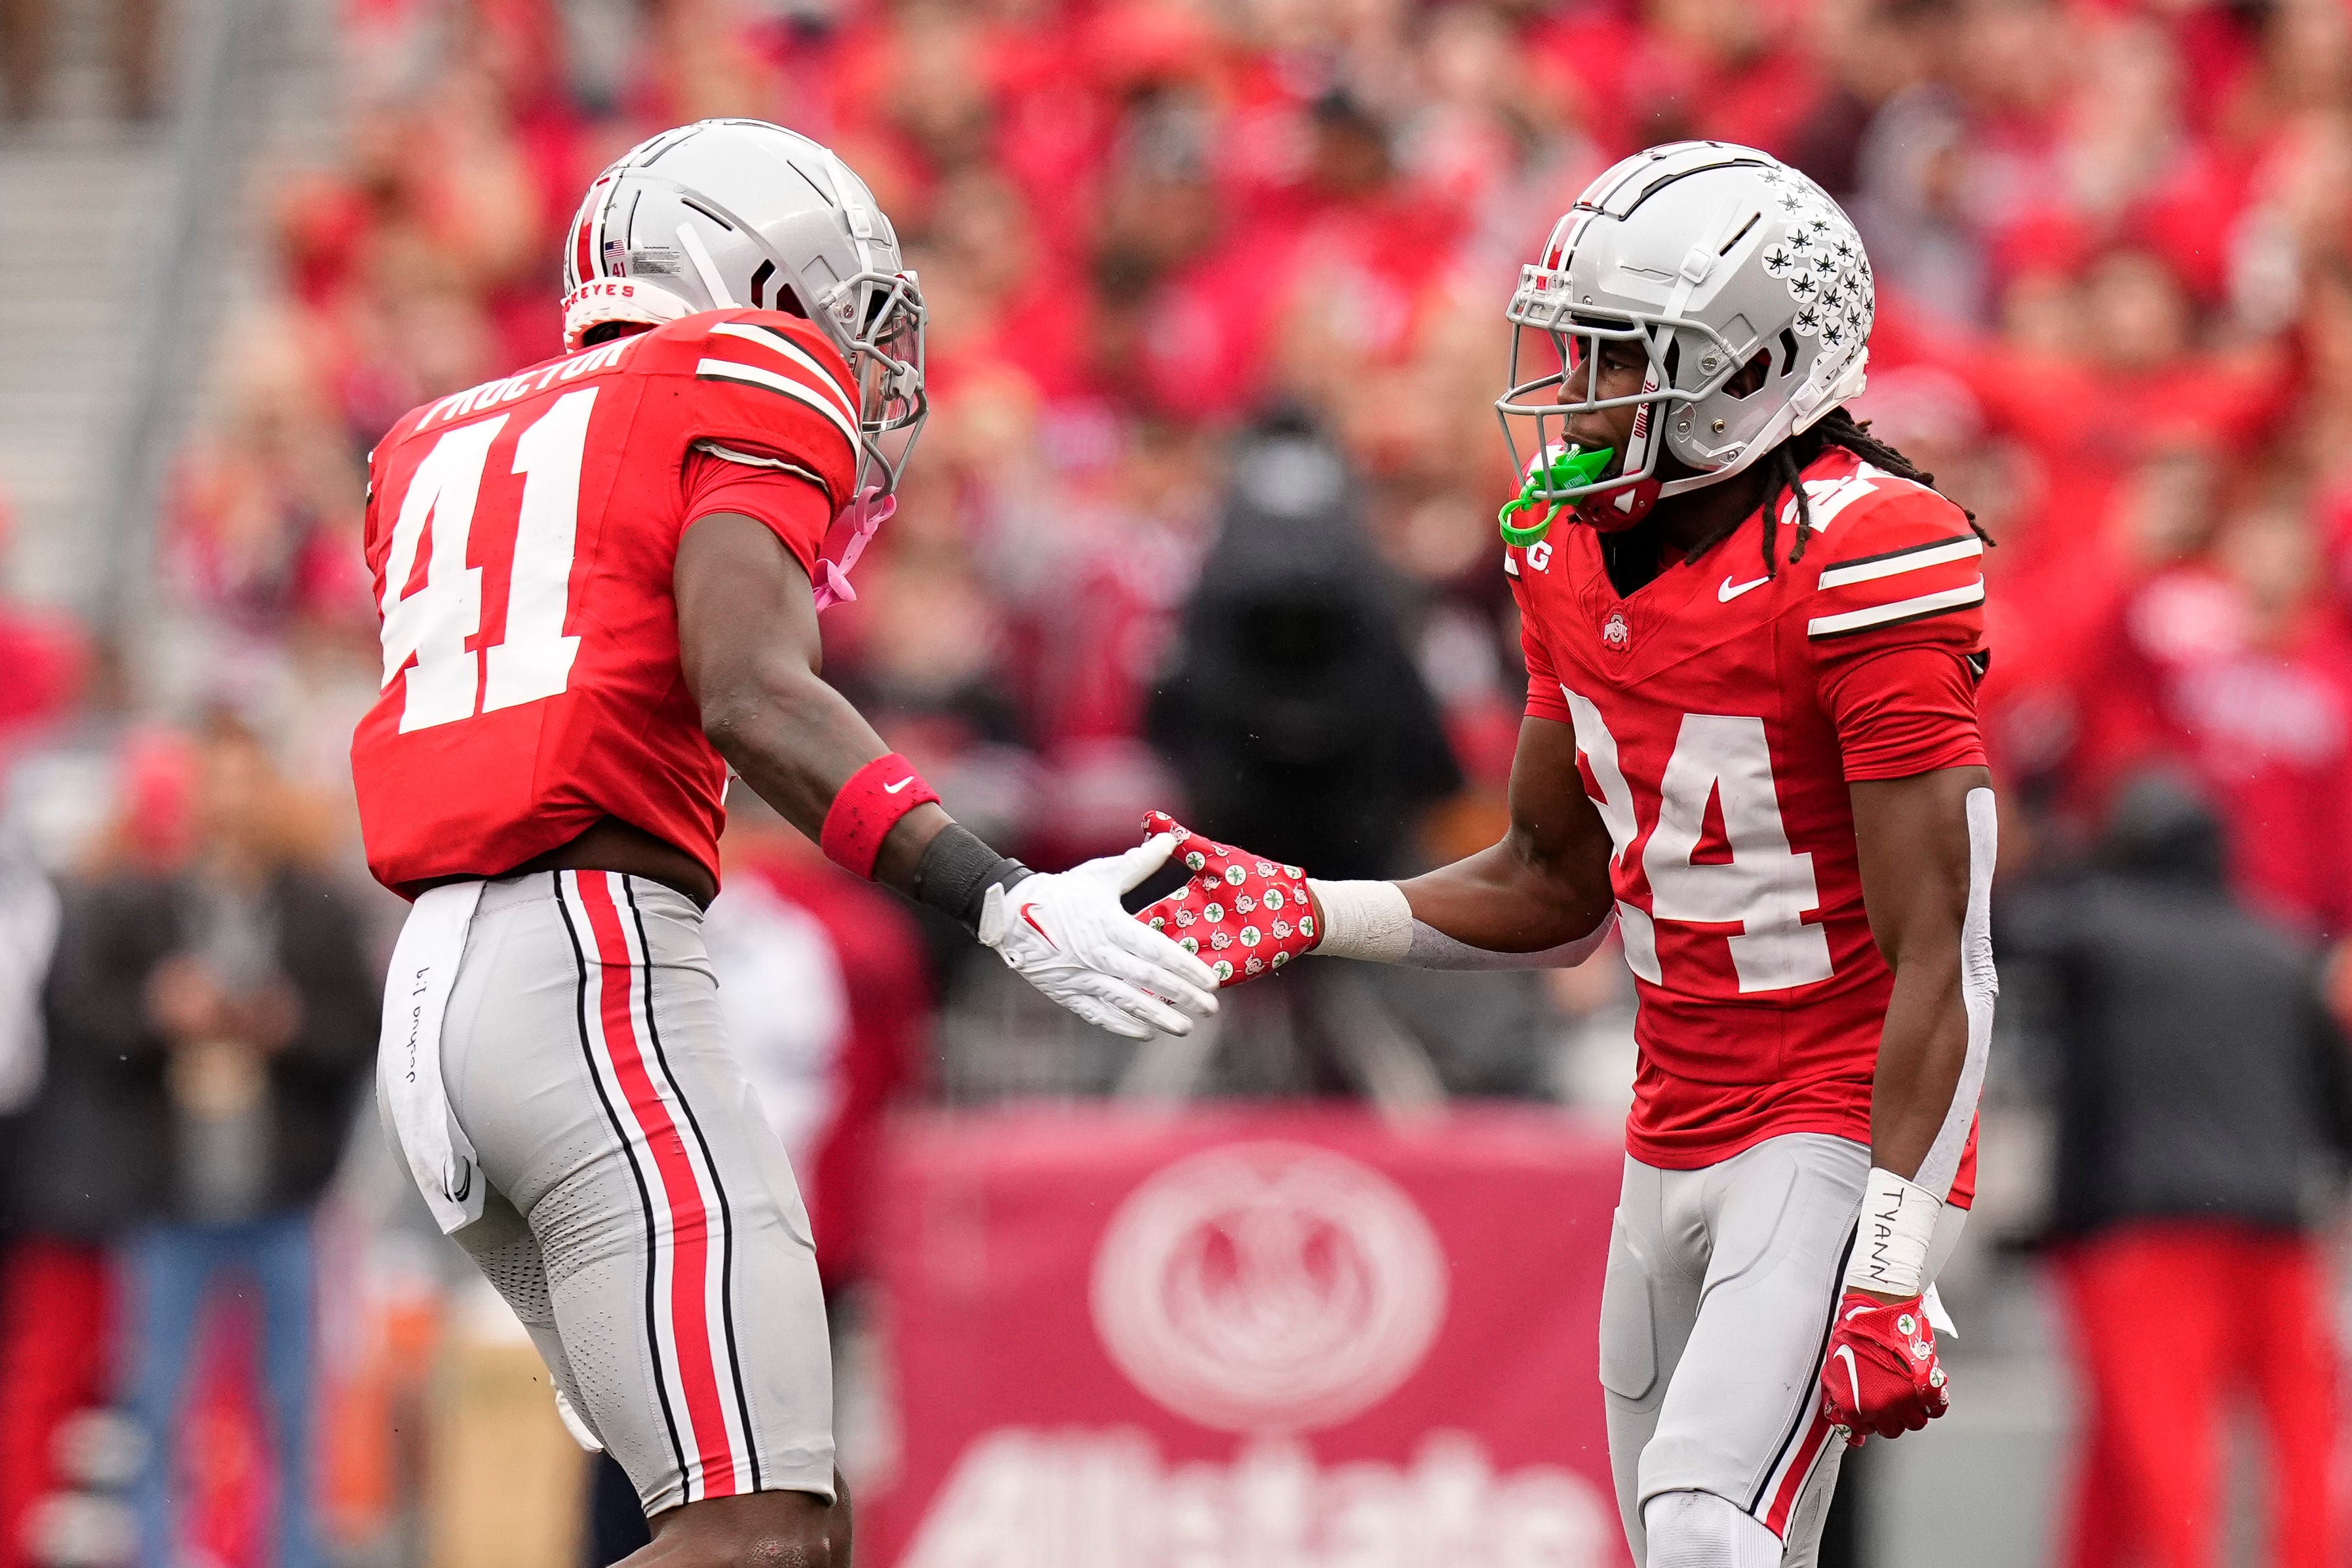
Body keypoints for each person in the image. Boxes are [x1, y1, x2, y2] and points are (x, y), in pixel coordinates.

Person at [347, 119, 1219, 1567]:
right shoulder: (738, 366)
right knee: (758, 1536)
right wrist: (995, 893)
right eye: (845, 311)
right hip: (588, 972)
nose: (866, 359)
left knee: (771, 1525)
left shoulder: (433, 437)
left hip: (437, 999)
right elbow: (748, 684)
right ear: (748, 277)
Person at [1133, 142, 1995, 1565]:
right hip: (1671, 1118)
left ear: (1754, 366)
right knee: (1681, 1539)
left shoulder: (1867, 553)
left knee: (1707, 1521)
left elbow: (1942, 950)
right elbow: (1553, 878)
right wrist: (1309, 910)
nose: (1581, 395)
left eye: (1619, 357)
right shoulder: (1566, 543)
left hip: (1834, 1109)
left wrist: (1898, 1258)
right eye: (1579, 351)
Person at [35, 716, 378, 1568]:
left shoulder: (312, 903)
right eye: (212, 780)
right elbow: (76, 1009)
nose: (228, 800)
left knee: (293, 1414)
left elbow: (359, 1027)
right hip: (169, 1189)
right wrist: (158, 1011)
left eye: (243, 780)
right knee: (159, 1410)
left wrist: (288, 1025)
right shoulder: (143, 899)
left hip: (284, 1192)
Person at [2006, 770, 2350, 1568]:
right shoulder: (2287, 948)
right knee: (2302, 1454)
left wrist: (2039, 831)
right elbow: (2342, 1109)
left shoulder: (2095, 922)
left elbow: (1991, 928)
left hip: (2141, 1239)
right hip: (2280, 1232)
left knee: (2166, 1465)